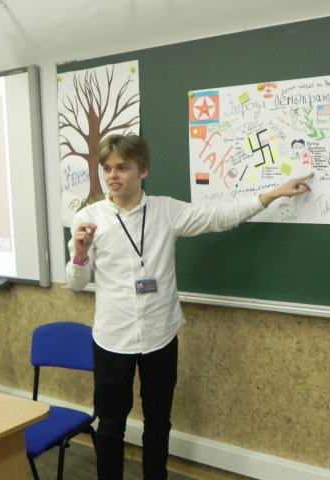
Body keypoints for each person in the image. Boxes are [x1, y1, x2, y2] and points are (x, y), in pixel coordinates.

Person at [65, 133, 313, 480]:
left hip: (160, 336)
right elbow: (76, 282)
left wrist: (271, 194)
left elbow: (220, 216)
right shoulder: (89, 218)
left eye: (122, 167)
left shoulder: (166, 210)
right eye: (107, 168)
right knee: (110, 426)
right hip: (112, 339)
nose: (112, 176)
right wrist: (79, 254)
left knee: (158, 424)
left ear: (143, 170)